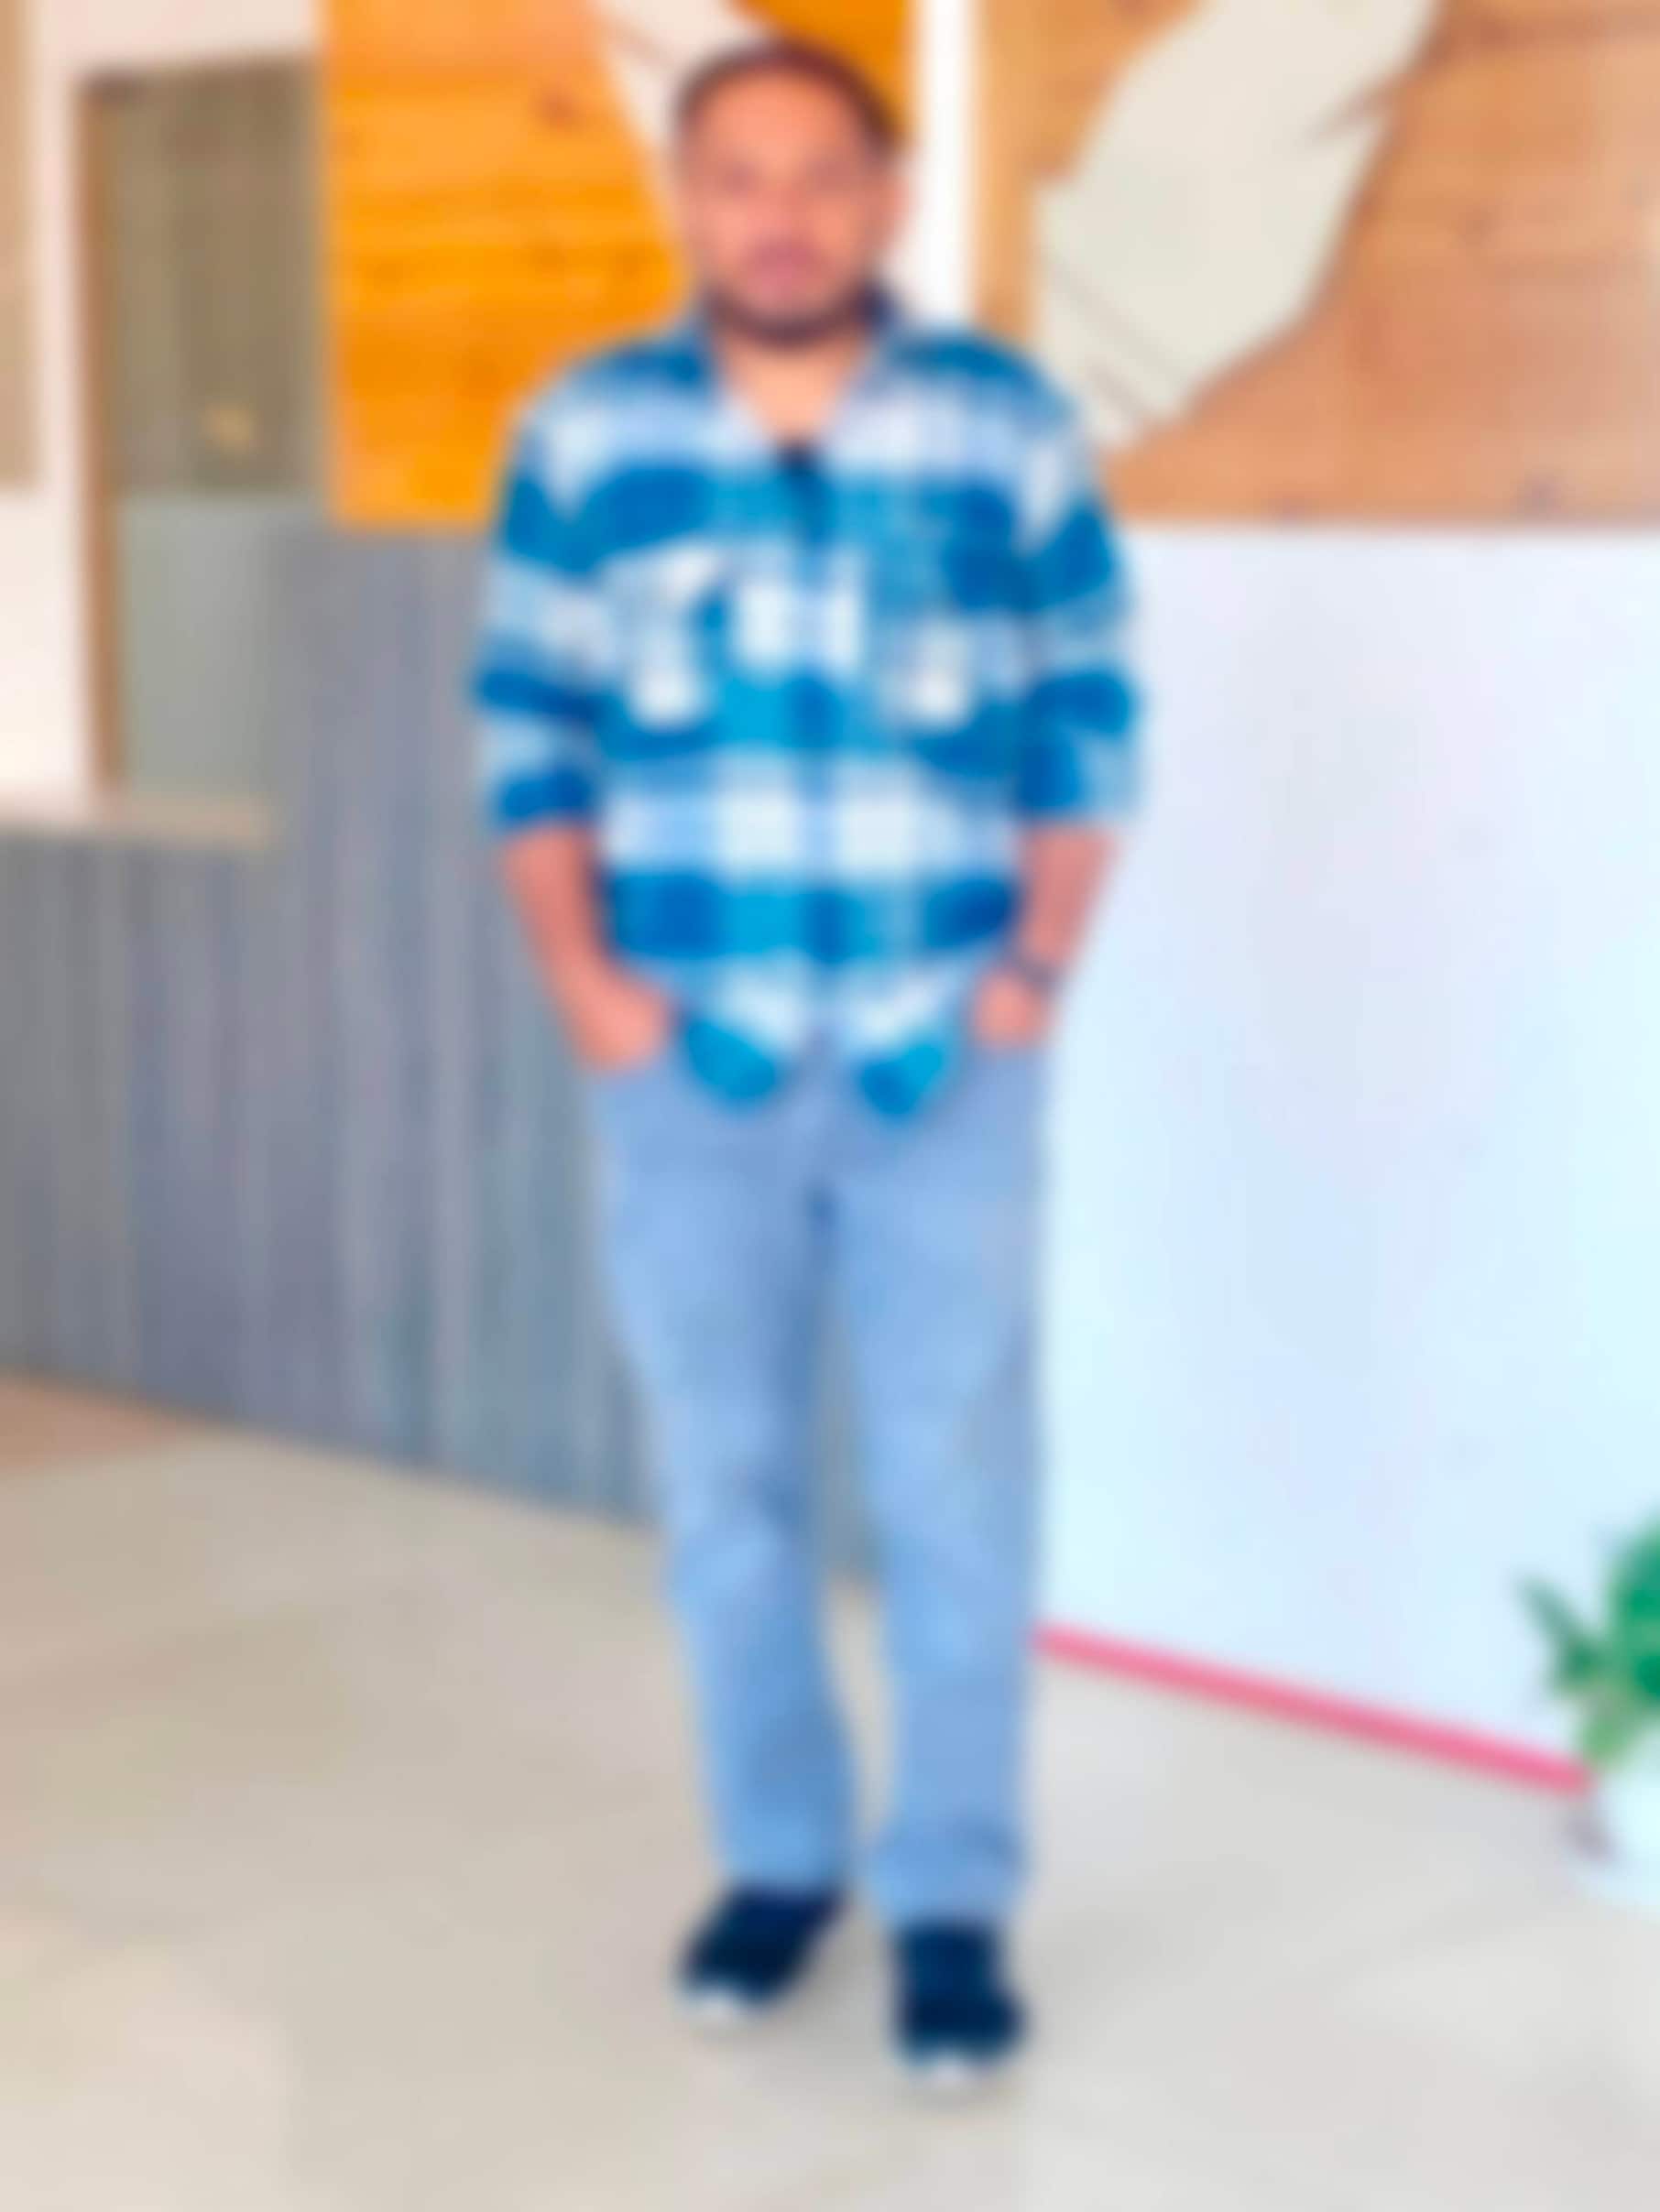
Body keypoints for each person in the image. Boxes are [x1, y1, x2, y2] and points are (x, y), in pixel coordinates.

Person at [472, 38, 1140, 2089]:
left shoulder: (1005, 426)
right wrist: (590, 992)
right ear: (686, 198)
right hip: (694, 1065)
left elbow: (1090, 718)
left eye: (821, 174)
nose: (780, 214)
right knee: (727, 1495)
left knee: (957, 1490)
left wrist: (1033, 972)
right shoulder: (585, 434)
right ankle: (780, 1861)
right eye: (738, 175)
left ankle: (949, 1900)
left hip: (949, 1056)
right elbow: (526, 733)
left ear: (887, 197)